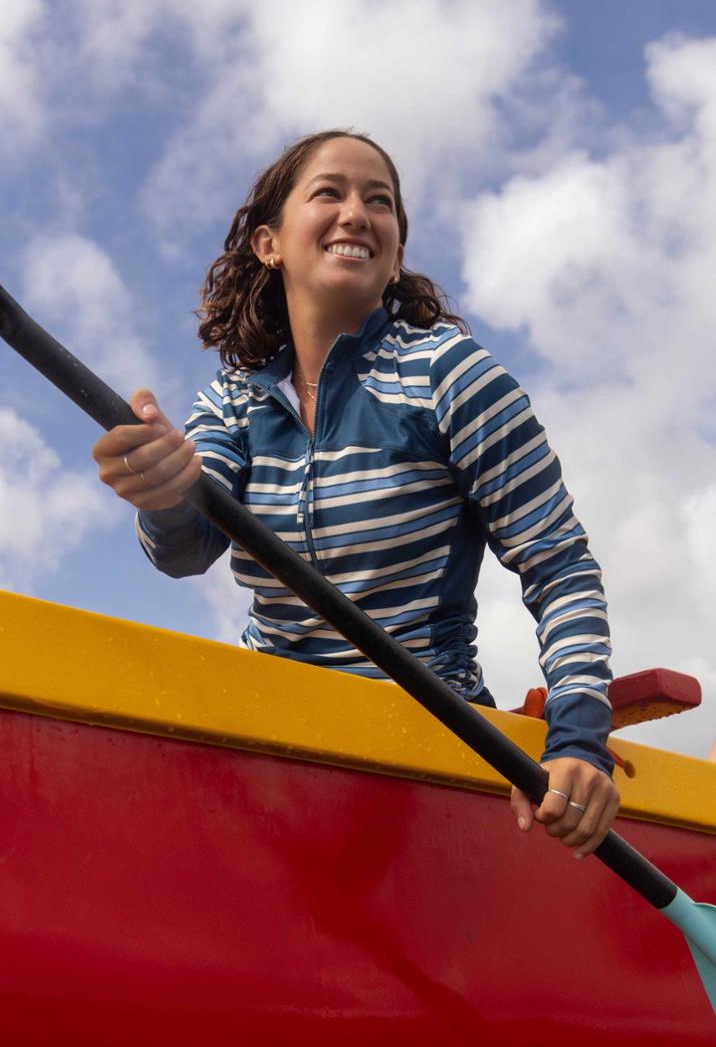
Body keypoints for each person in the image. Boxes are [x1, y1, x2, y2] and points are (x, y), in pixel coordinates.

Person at [92, 129, 620, 858]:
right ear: (269, 244)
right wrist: (161, 493)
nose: (356, 214)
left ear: (396, 254)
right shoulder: (233, 402)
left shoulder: (451, 376)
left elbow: (559, 564)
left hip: (430, 754)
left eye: (380, 202)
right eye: (329, 192)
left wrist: (579, 740)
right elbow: (185, 550)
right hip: (271, 752)